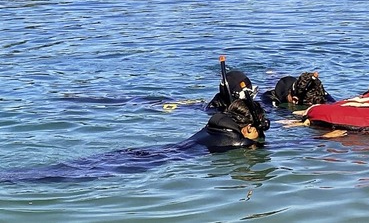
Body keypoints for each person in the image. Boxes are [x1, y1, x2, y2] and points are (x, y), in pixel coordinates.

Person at [0, 98, 270, 183]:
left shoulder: (213, 126)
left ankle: (11, 176)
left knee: (72, 169)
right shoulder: (241, 143)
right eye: (259, 127)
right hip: (153, 163)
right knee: (68, 177)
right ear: (246, 129)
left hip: (145, 152)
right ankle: (12, 177)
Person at [262, 71, 334, 108]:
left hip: (295, 84)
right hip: (279, 90)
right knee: (270, 82)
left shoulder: (316, 92)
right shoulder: (271, 99)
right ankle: (272, 74)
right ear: (295, 100)